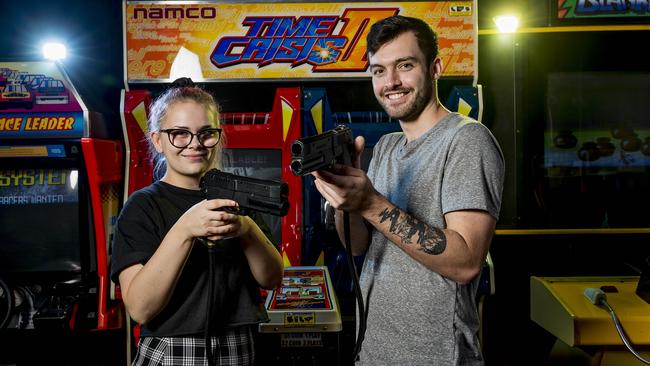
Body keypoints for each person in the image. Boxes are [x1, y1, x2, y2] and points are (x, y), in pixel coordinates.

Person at [311, 16, 505, 365]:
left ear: (435, 68)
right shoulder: (386, 146)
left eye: (405, 65)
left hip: (435, 356)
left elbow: (465, 263)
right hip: (373, 352)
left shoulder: (466, 140)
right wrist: (345, 197)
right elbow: (358, 245)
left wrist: (370, 203)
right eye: (379, 70)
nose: (391, 82)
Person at [110, 81, 283, 366]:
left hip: (238, 343)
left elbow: (273, 279)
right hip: (172, 347)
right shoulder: (143, 206)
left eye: (206, 133)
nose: (195, 144)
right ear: (157, 140)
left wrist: (247, 229)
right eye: (179, 133)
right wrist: (185, 229)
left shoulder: (235, 197)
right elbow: (140, 308)